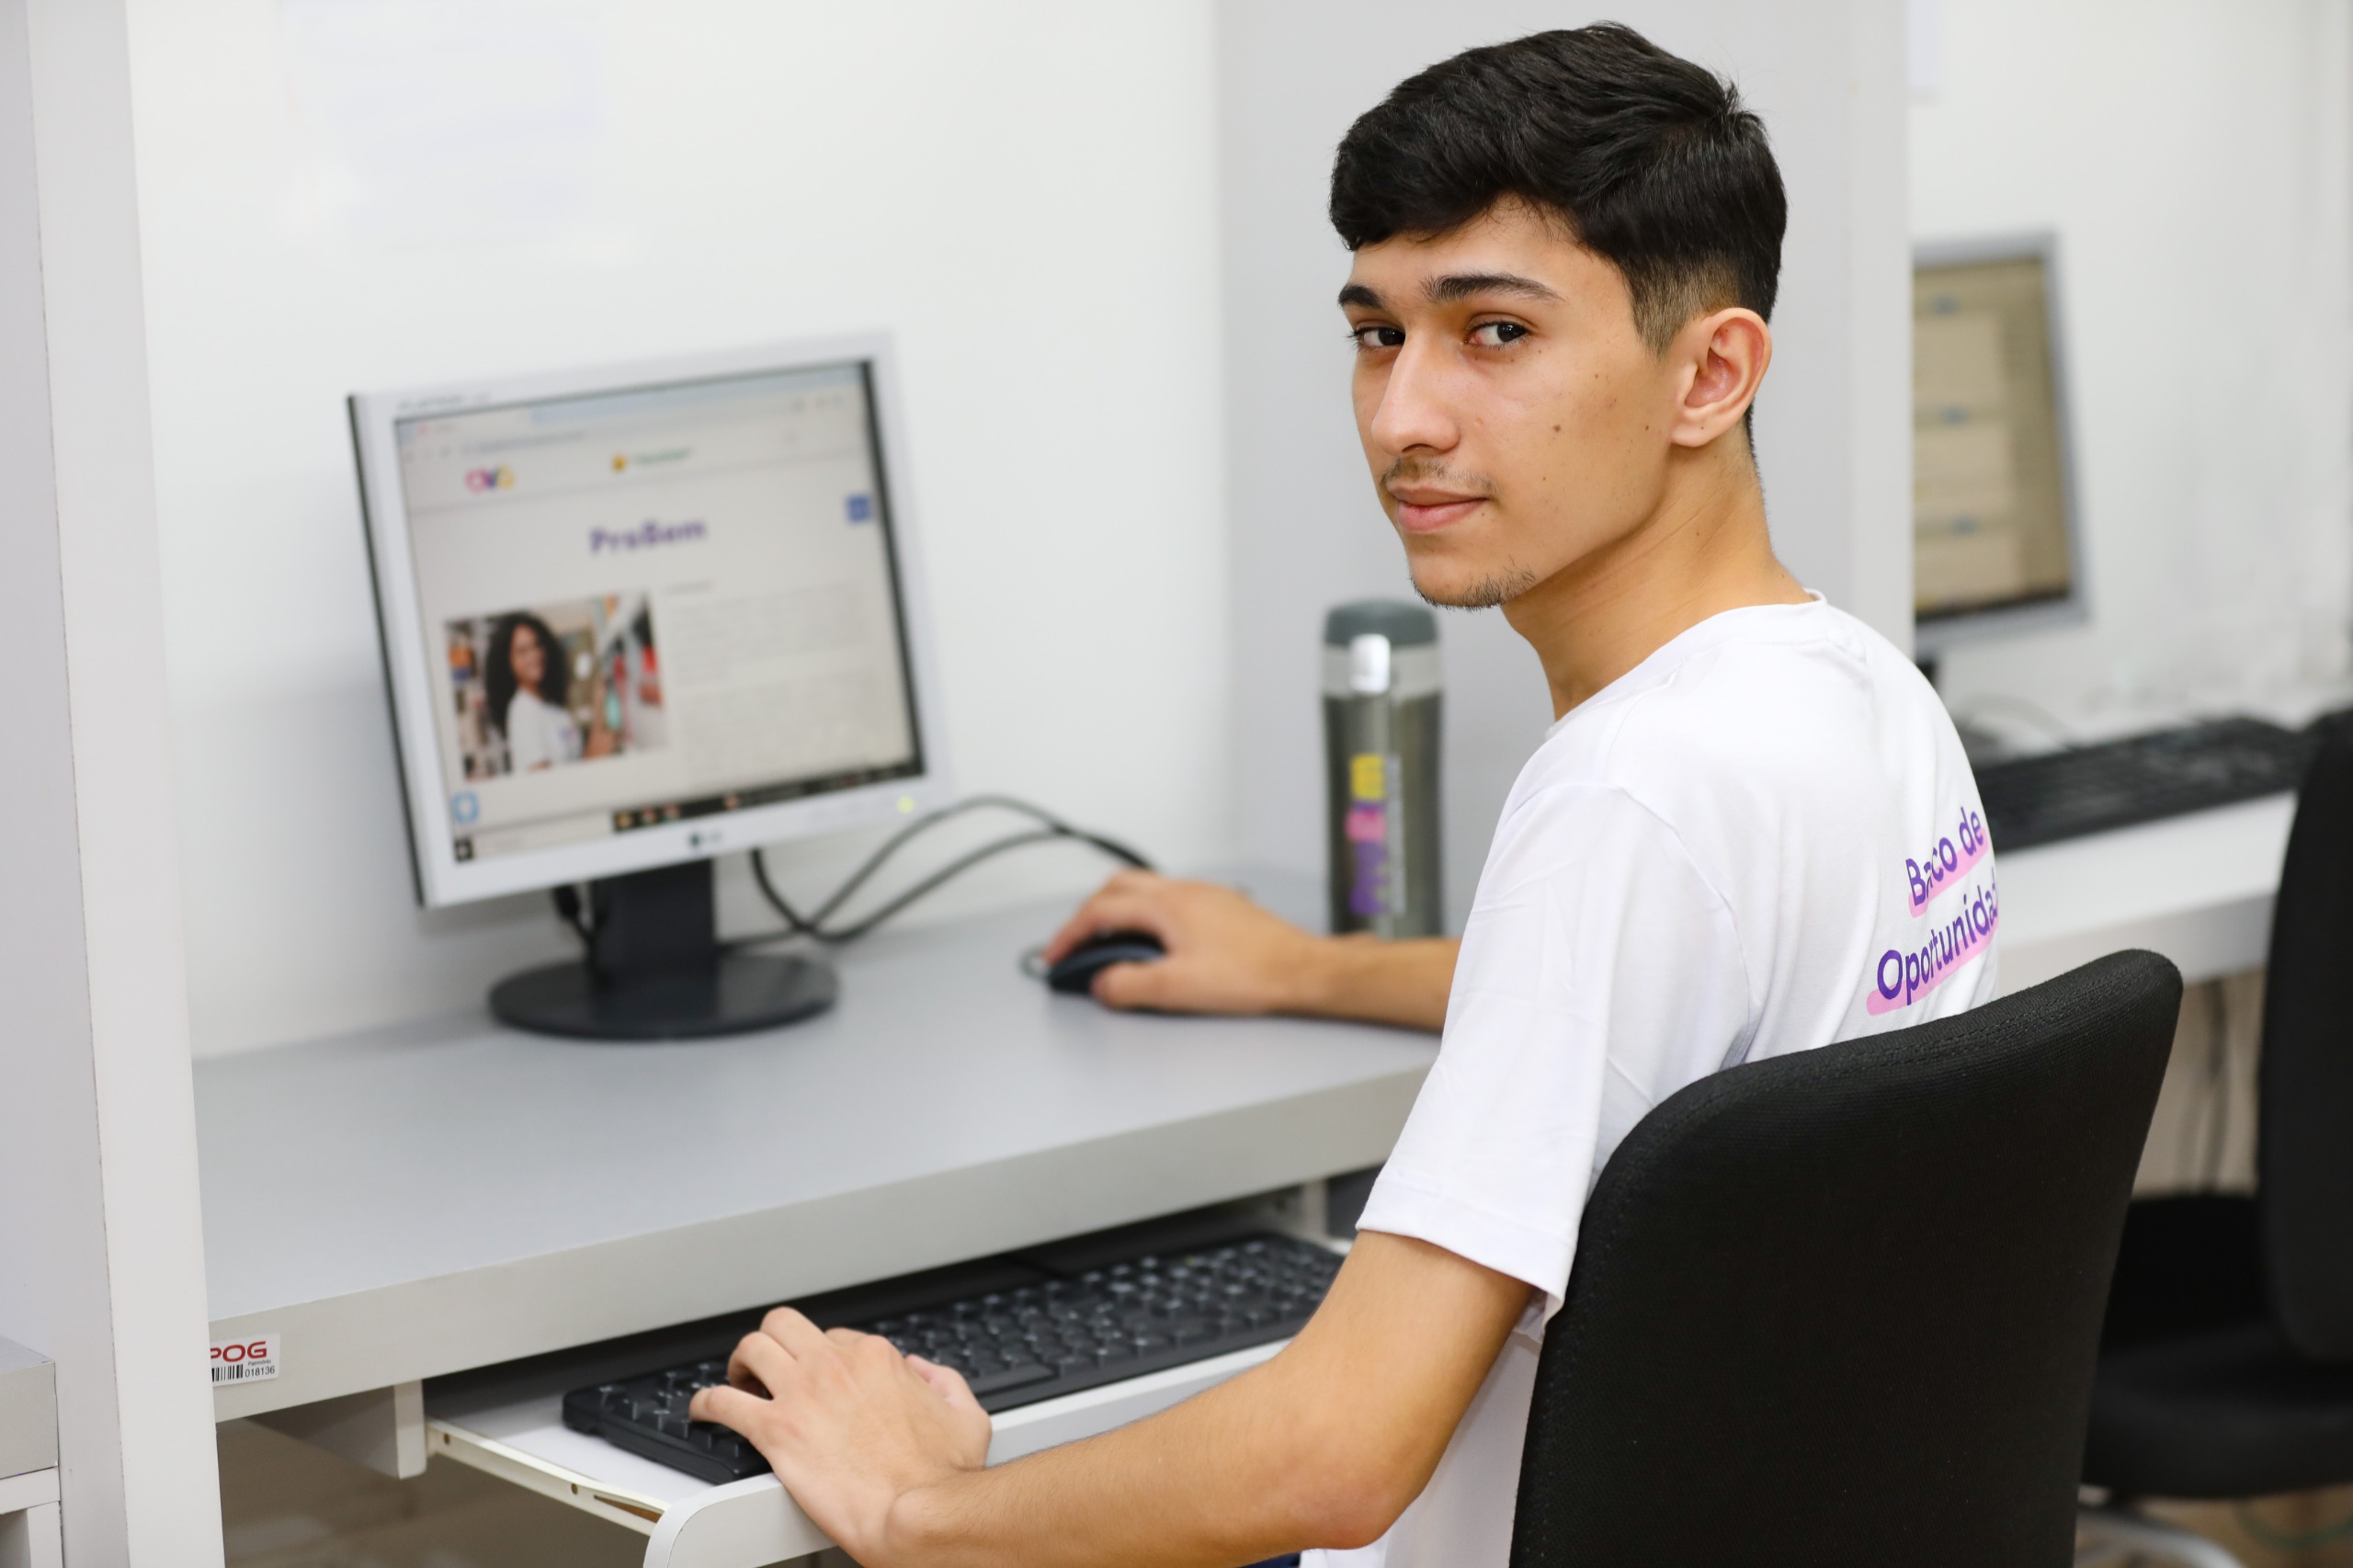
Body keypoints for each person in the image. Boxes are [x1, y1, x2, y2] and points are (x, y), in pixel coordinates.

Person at [689, 25, 1998, 1567]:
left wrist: (915, 1508)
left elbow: (1335, 1457)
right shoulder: (1859, 695)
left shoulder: (1630, 800)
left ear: (1709, 373)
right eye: (1379, 333)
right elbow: (1645, 1013)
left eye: (1495, 333)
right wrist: (1306, 970)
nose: (1401, 419)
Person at [483, 612, 613, 771]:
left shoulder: (550, 706)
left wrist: (600, 703)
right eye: (523, 651)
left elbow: (582, 760)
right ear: (508, 662)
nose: (535, 655)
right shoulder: (522, 712)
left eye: (537, 645)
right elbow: (544, 782)